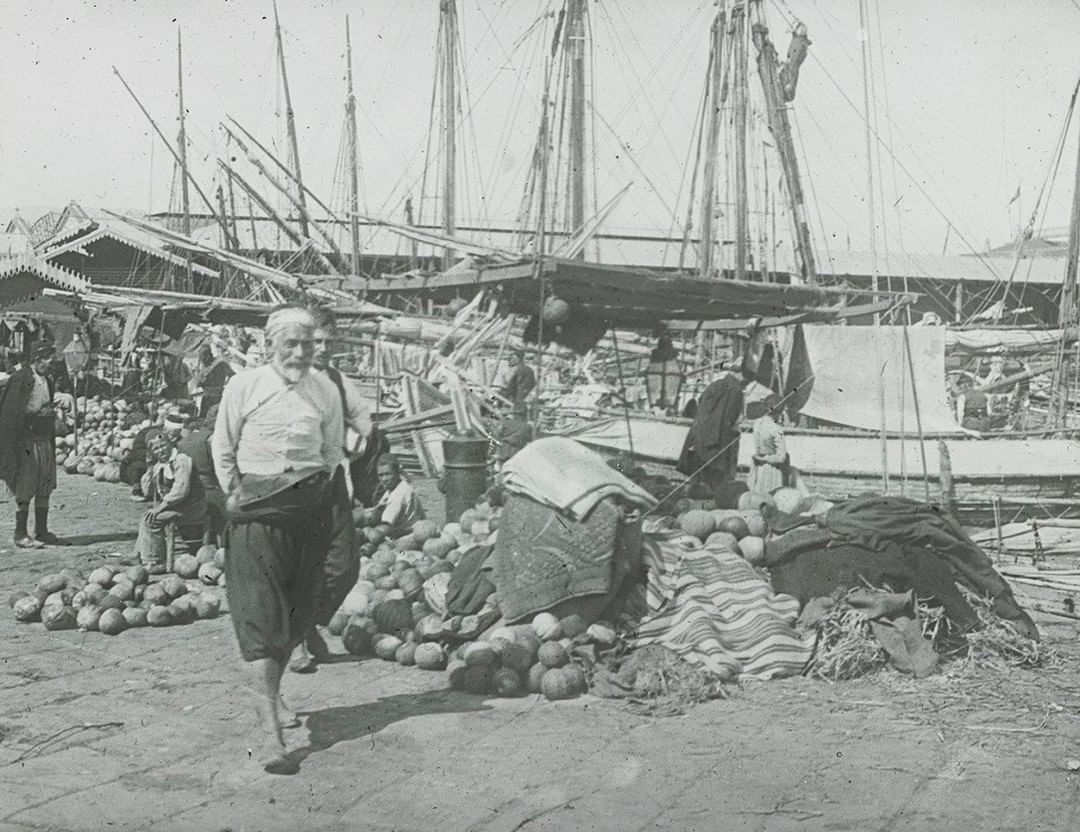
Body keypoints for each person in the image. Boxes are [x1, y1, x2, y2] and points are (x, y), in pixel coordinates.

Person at [211, 306, 343, 773]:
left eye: (307, 344)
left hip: (306, 516)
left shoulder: (325, 391)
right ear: (271, 345)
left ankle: (276, 695)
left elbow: (331, 452)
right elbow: (222, 446)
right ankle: (272, 737)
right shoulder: (244, 386)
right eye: (291, 343)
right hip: (256, 517)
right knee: (262, 622)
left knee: (294, 616)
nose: (301, 353)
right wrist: (239, 494)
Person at [289, 307, 368, 674]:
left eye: (327, 342)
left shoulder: (337, 379)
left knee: (345, 564)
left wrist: (356, 435)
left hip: (334, 478)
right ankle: (298, 638)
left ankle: (308, 622)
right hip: (297, 480)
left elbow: (362, 419)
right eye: (315, 341)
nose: (322, 348)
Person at [0, 342, 60, 547]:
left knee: (44, 484)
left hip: (43, 439)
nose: (49, 363)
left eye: (50, 359)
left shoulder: (47, 380)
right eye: (45, 359)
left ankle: (41, 531)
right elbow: (10, 414)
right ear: (36, 359)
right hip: (26, 441)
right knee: (25, 485)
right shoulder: (21, 379)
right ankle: (20, 534)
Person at [134, 432, 207, 574]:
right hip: (177, 506)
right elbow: (147, 491)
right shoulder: (159, 466)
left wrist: (161, 506)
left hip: (193, 506)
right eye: (156, 449)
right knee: (146, 516)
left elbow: (181, 489)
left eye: (163, 446)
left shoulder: (181, 460)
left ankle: (156, 561)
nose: (161, 450)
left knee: (152, 520)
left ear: (170, 444)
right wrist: (149, 469)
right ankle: (141, 553)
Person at [677, 371, 746, 491]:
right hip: (718, 441)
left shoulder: (715, 385)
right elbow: (731, 418)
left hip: (699, 437)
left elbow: (701, 402)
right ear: (739, 374)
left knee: (698, 481)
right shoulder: (735, 391)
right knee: (716, 483)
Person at [177, 406, 225, 545]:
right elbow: (220, 470)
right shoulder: (213, 440)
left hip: (188, 492)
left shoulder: (186, 440)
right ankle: (224, 545)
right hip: (208, 491)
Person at [361, 455, 425, 541]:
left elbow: (385, 528)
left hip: (407, 539)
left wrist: (362, 534)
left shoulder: (399, 493)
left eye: (388, 474)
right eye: (381, 475)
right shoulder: (393, 488)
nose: (384, 479)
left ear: (397, 473)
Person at [748, 394, 789, 495]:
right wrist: (766, 458)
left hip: (757, 470)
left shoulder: (757, 424)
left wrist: (760, 458)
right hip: (771, 472)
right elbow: (781, 457)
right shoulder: (776, 429)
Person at [195, 344, 234, 418]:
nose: (201, 361)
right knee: (202, 417)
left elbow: (233, 376)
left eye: (202, 358)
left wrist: (225, 385)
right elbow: (201, 383)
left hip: (216, 397)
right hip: (206, 397)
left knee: (213, 418)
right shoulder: (205, 366)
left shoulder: (221, 364)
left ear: (208, 356)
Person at [494, 402, 533, 467]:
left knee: (503, 470)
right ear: (524, 415)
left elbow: (497, 435)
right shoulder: (526, 426)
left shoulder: (504, 423)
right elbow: (530, 440)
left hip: (503, 451)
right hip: (518, 453)